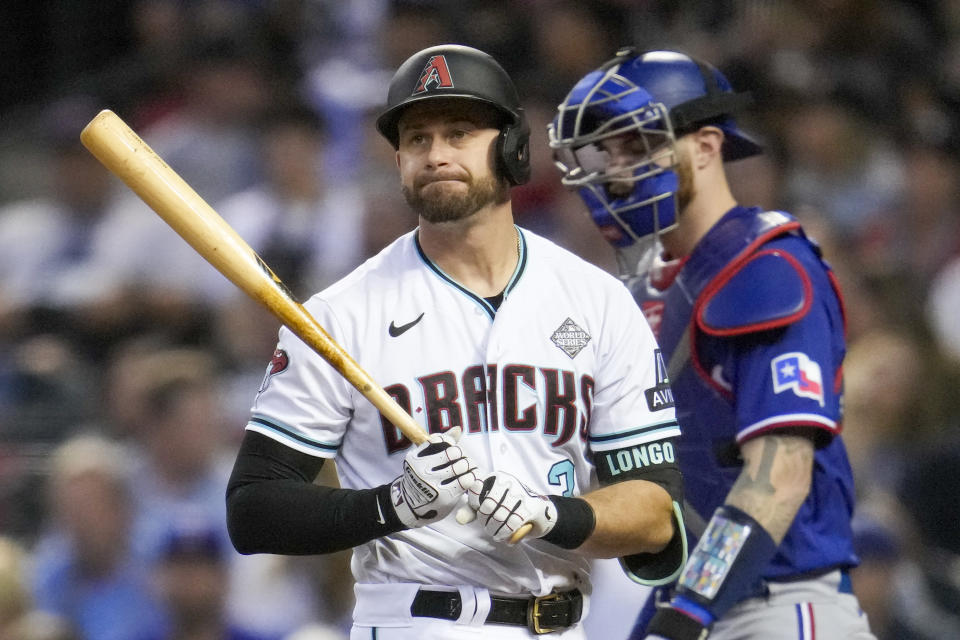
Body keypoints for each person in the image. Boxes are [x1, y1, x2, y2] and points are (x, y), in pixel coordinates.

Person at [226, 44, 688, 639]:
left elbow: (656, 514)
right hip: (416, 620)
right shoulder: (342, 316)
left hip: (563, 623)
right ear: (397, 161)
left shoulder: (597, 301)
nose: (436, 154)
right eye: (417, 139)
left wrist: (554, 516)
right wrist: (392, 504)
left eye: (460, 132)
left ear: (513, 147)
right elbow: (255, 508)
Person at [549, 49, 874, 639]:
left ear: (703, 146)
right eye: (608, 150)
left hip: (779, 602)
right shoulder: (638, 291)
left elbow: (780, 475)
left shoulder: (766, 267)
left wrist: (692, 608)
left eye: (637, 144)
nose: (617, 169)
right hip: (684, 599)